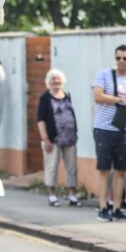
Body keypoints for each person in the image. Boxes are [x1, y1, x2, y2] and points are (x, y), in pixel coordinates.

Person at [91, 45, 126, 223]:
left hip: (124, 129)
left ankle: (117, 208)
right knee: (104, 170)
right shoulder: (104, 74)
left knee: (121, 171)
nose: (121, 61)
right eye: (118, 58)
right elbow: (97, 96)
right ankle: (103, 208)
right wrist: (121, 100)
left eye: (125, 58)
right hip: (104, 128)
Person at [36, 69, 80, 207]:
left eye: (58, 79)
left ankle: (72, 195)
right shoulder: (45, 98)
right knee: (51, 167)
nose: (56, 81)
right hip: (52, 139)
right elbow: (41, 120)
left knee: (72, 167)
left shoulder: (67, 95)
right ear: (48, 82)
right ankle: (52, 195)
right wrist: (45, 139)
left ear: (62, 81)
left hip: (70, 138)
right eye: (53, 79)